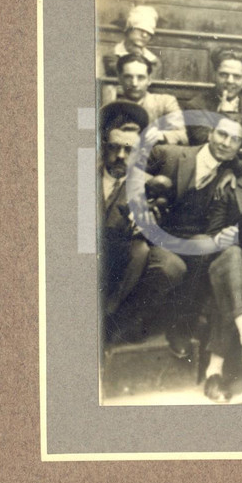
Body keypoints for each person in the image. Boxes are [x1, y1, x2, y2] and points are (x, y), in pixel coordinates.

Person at [134, 113, 242, 402]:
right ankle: (171, 327)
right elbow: (125, 165)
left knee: (222, 252)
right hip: (161, 237)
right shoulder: (172, 155)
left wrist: (232, 171)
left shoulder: (234, 167)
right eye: (222, 134)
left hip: (199, 244)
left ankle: (221, 332)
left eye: (234, 139)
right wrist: (146, 195)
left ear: (240, 146)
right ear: (210, 134)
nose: (226, 142)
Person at [98, 101, 185, 344]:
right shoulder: (84, 177)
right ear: (103, 145)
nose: (121, 156)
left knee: (169, 265)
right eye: (114, 147)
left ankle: (117, 324)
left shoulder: (150, 185)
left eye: (129, 149)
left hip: (129, 255)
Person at [185, 49, 242, 148]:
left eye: (237, 76)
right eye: (224, 75)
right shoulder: (195, 107)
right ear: (214, 75)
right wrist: (222, 116)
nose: (230, 81)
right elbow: (203, 143)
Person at [103, 53, 188, 146]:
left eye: (141, 77)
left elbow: (182, 137)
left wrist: (158, 136)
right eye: (128, 77)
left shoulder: (165, 102)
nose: (134, 83)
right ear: (119, 79)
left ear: (149, 80)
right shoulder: (111, 106)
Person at [98, 5, 162, 92]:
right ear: (129, 29)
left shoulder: (154, 62)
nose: (144, 35)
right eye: (141, 29)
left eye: (149, 32)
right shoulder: (111, 56)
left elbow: (150, 90)